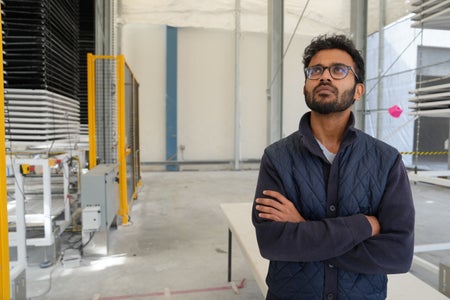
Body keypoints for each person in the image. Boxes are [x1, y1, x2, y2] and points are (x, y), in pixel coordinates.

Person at [252, 34, 415, 300]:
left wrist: (303, 227)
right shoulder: (277, 157)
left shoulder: (386, 160)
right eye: (316, 70)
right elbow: (273, 242)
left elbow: (397, 255)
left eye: (339, 69)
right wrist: (362, 226)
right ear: (306, 87)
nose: (325, 76)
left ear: (358, 90)